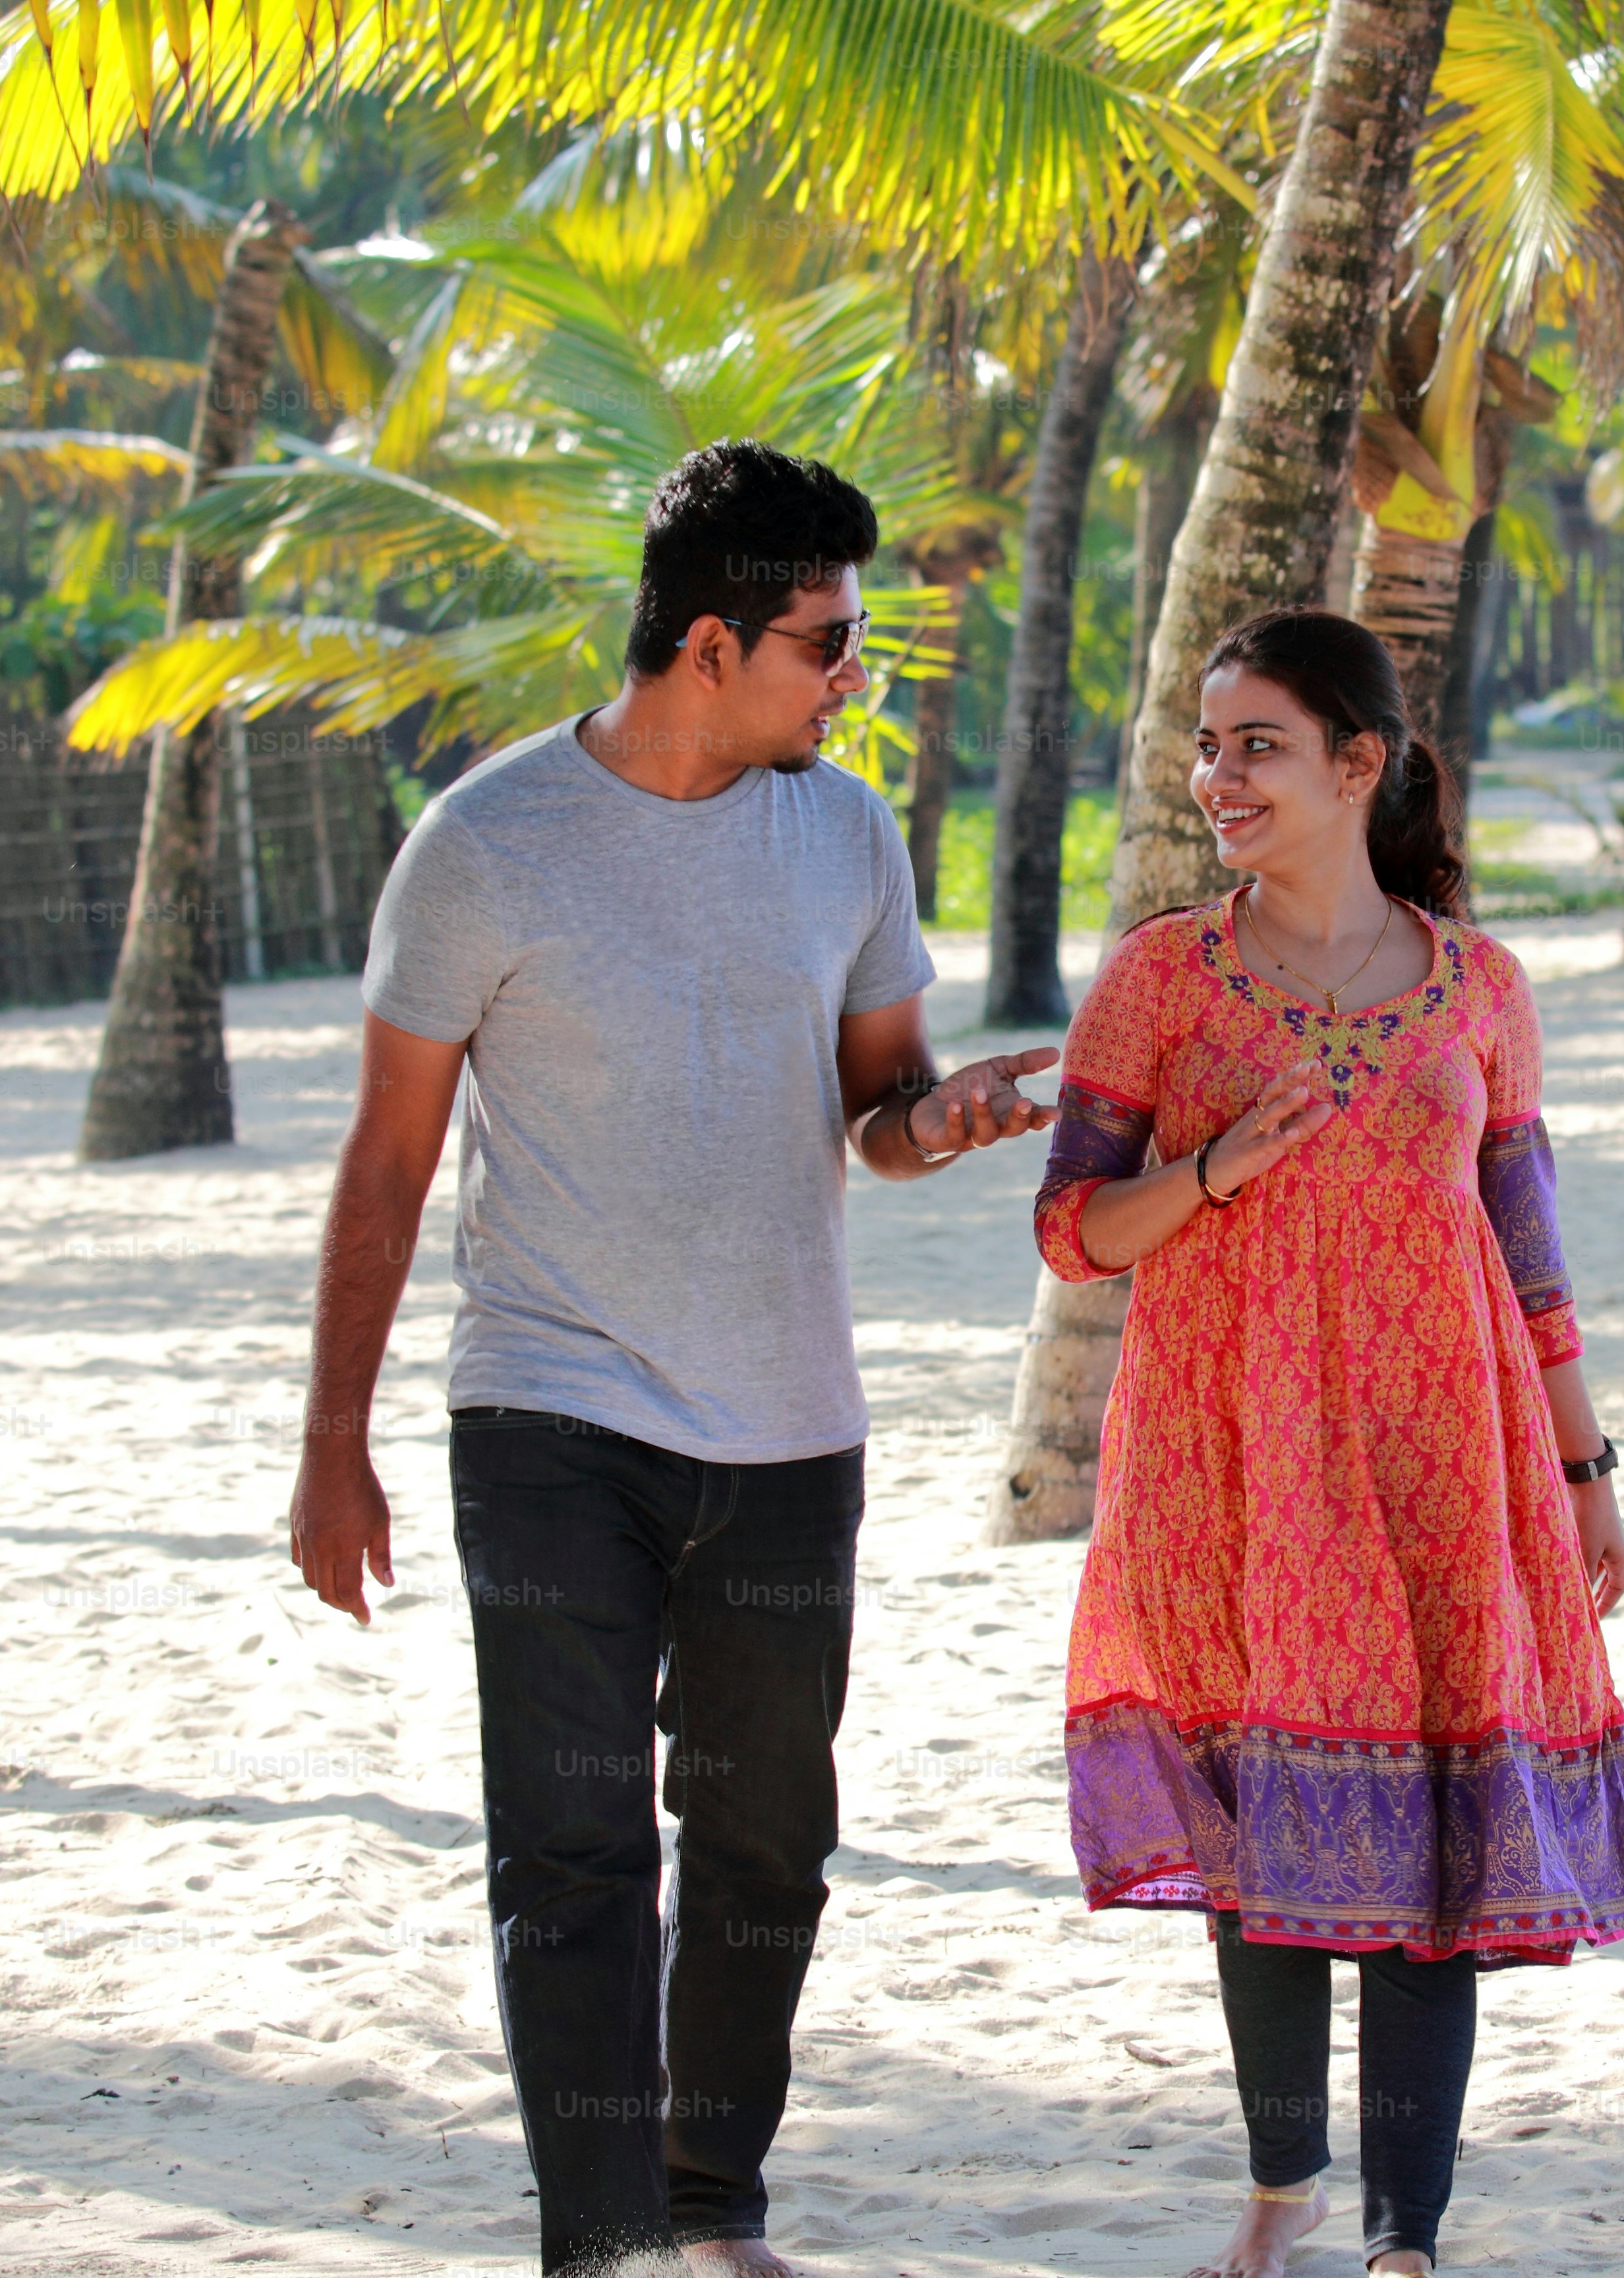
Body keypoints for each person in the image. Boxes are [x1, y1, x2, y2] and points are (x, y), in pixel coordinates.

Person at [285, 439, 1055, 2278]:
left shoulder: (844, 832)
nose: (851, 675)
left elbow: (876, 1098)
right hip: (549, 1411)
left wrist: (934, 1127)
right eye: (826, 643)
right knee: (571, 1851)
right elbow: (386, 1165)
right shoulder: (485, 846)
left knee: (768, 1839)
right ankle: (608, 2237)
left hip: (790, 1423)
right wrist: (335, 1443)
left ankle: (711, 2200)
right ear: (712, 645)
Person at [1031, 608, 1624, 2277]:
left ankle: (1403, 2241)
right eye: (1208, 743)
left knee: (1435, 1827)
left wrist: (1587, 1475)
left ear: (1357, 765)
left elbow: (1530, 1248)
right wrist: (1222, 1166)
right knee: (1267, 1821)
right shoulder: (1164, 979)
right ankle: (1279, 2189)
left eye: (1257, 745)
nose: (1215, 775)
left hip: (1446, 1448)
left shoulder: (1482, 989)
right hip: (1228, 1451)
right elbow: (1074, 1231)